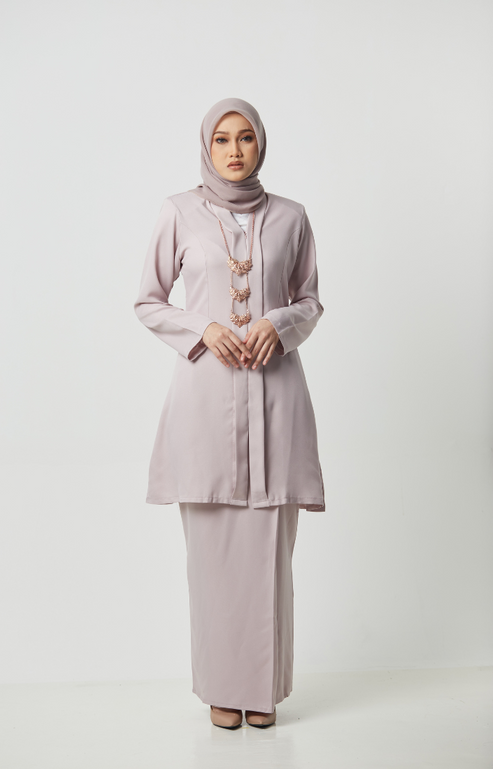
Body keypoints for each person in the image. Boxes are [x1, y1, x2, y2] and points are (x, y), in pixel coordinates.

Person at [134, 97, 325, 730]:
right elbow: (149, 300)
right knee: (212, 556)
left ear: (261, 144)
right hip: (205, 403)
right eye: (222, 139)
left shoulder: (292, 217)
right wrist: (203, 328)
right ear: (206, 146)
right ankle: (221, 686)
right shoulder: (178, 212)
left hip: (276, 398)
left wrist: (278, 323)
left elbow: (310, 300)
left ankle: (262, 691)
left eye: (245, 137)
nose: (234, 150)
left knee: (271, 552)